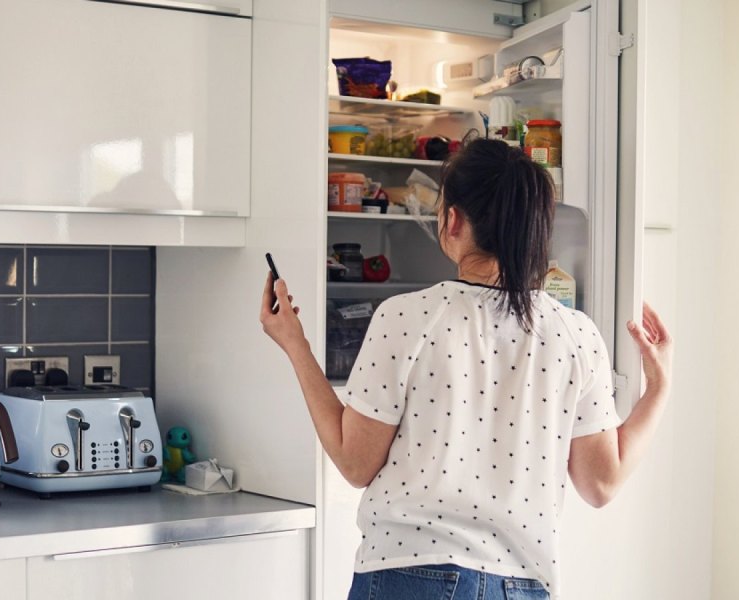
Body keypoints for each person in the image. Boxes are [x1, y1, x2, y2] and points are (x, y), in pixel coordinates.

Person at [260, 138, 672, 600]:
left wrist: (295, 345)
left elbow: (355, 462)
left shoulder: (406, 317)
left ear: (452, 219)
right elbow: (601, 483)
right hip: (523, 586)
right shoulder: (575, 334)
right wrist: (658, 389)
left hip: (408, 575)